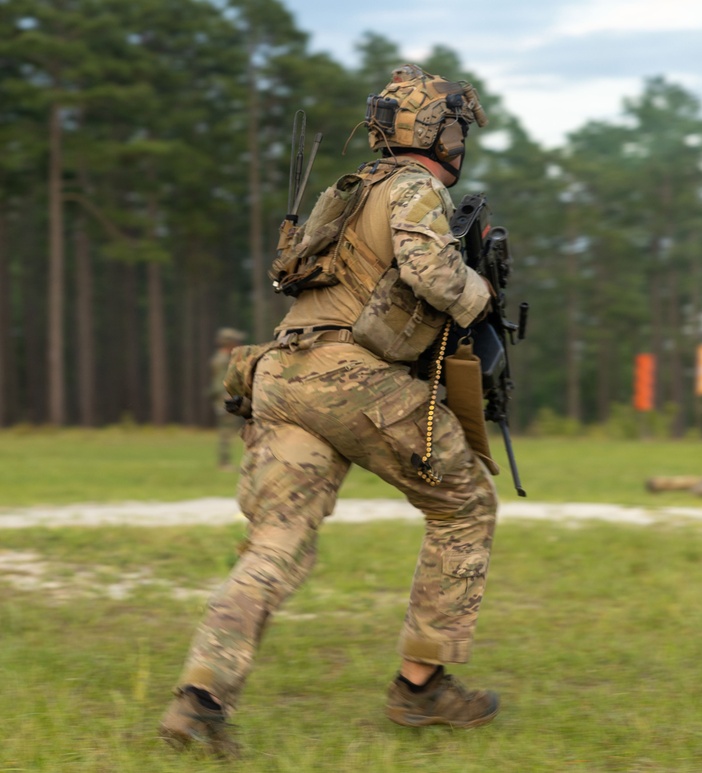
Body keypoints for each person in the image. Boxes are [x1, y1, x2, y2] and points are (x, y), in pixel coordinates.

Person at [160, 65, 498, 757]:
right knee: (466, 504)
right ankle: (421, 684)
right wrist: (480, 295)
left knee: (277, 542)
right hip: (350, 378)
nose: (460, 142)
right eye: (456, 127)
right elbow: (431, 274)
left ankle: (200, 696)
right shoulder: (414, 187)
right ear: (435, 132)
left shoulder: (346, 193)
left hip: (281, 376)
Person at [209, 328, 246, 471]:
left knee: (229, 429)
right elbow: (220, 381)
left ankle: (225, 462)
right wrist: (226, 396)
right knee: (226, 431)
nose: (238, 343)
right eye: (235, 340)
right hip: (226, 398)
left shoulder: (221, 358)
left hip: (226, 396)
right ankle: (224, 463)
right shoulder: (222, 360)